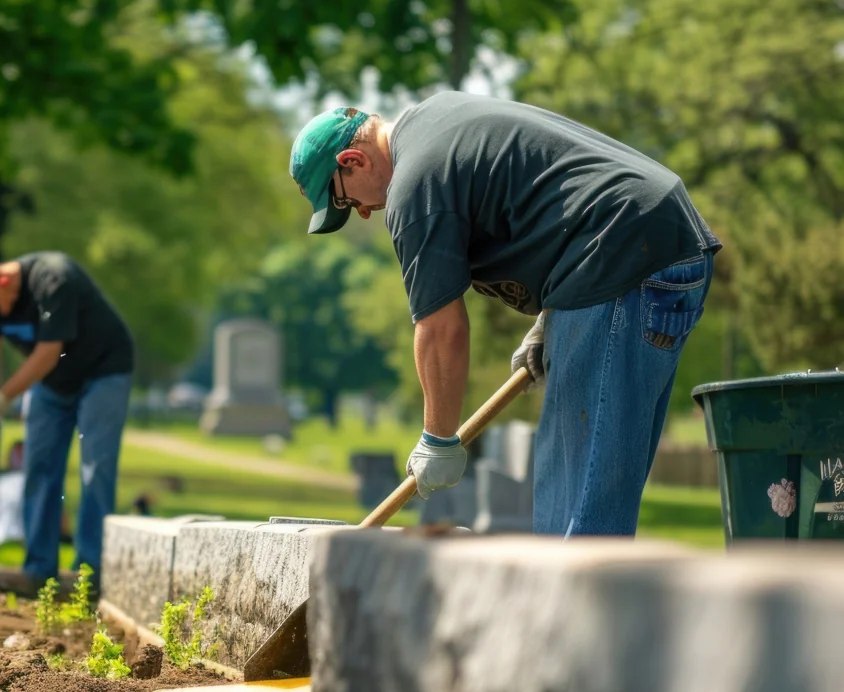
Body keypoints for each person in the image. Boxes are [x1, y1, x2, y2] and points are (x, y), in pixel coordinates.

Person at [290, 93, 720, 536]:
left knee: (574, 509)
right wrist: (551, 318)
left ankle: (571, 606)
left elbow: (441, 329)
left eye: (343, 201)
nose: (361, 213)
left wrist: (437, 439)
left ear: (353, 160)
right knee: (592, 489)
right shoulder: (434, 118)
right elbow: (547, 197)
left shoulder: (414, 184)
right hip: (660, 242)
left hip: (620, 255)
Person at [0, 253, 134, 589]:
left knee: (96, 468)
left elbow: (49, 352)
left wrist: (1, 398)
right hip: (51, 383)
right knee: (39, 468)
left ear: (3, 280)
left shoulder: (53, 278)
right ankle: (38, 572)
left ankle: (88, 576)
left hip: (104, 371)